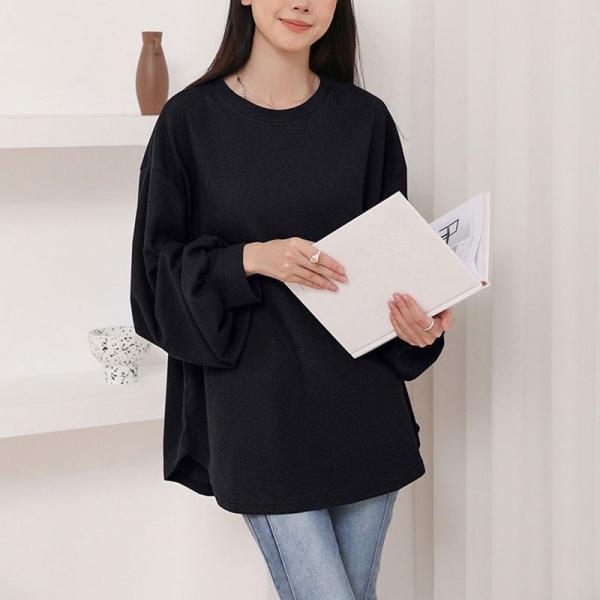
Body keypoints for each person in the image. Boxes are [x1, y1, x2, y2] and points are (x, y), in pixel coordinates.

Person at [129, 0, 454, 598]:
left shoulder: (366, 121)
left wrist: (420, 324)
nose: (302, 3)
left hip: (363, 412)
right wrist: (250, 258)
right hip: (258, 418)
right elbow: (153, 279)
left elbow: (391, 264)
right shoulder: (188, 122)